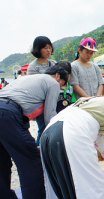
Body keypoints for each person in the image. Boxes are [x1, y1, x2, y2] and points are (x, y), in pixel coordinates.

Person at [40, 81, 104, 199]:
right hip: (72, 132)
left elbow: (97, 138)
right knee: (91, 185)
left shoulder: (97, 101)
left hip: (50, 130)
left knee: (62, 180)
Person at [0, 65, 68, 199]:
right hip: (8, 114)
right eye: (63, 85)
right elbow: (50, 117)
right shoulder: (53, 82)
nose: (61, 88)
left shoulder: (28, 78)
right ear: (58, 76)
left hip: (5, 110)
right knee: (31, 161)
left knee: (2, 162)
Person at [27, 36, 57, 146]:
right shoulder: (33, 67)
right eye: (45, 48)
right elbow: (32, 86)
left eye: (50, 47)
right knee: (43, 129)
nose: (48, 50)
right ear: (38, 49)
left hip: (54, 101)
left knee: (54, 128)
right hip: (41, 104)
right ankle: (39, 153)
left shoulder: (53, 63)